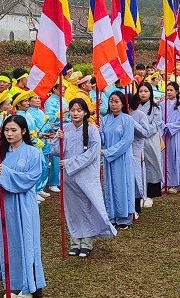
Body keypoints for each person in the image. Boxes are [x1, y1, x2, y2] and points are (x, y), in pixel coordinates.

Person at [0, 115, 45, 298]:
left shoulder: (33, 153)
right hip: (6, 203)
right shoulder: (0, 153)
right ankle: (12, 283)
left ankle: (30, 285)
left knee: (27, 242)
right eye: (6, 130)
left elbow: (32, 177)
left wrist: (6, 174)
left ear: (23, 131)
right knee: (8, 243)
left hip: (24, 204)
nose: (9, 134)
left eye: (14, 130)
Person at [55, 98, 116, 257]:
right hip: (69, 176)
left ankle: (87, 242)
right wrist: (57, 138)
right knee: (73, 209)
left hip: (86, 175)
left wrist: (70, 162)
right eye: (73, 110)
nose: (75, 113)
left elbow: (91, 154)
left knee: (88, 206)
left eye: (79, 110)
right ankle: (75, 241)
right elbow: (56, 151)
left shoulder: (92, 130)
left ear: (85, 112)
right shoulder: (65, 128)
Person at [101, 91, 135, 229]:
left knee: (123, 185)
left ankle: (124, 217)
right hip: (108, 159)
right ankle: (111, 215)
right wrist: (98, 133)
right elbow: (102, 139)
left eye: (116, 101)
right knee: (109, 185)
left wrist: (108, 152)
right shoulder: (104, 119)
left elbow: (126, 141)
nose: (113, 104)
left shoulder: (128, 120)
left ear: (122, 103)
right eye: (111, 101)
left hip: (122, 158)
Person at [134, 82, 164, 204]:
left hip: (150, 140)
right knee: (140, 167)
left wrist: (144, 131)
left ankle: (151, 194)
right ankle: (140, 193)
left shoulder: (155, 108)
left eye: (146, 91)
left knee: (152, 164)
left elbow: (155, 124)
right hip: (137, 141)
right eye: (141, 91)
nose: (143, 94)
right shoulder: (134, 107)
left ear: (150, 93)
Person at [162, 82, 180, 193]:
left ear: (176, 91)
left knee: (176, 156)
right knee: (166, 157)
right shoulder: (162, 105)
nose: (169, 92)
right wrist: (163, 126)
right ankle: (166, 181)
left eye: (171, 90)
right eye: (167, 90)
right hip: (165, 134)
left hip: (176, 134)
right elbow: (159, 119)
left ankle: (177, 182)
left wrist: (169, 126)